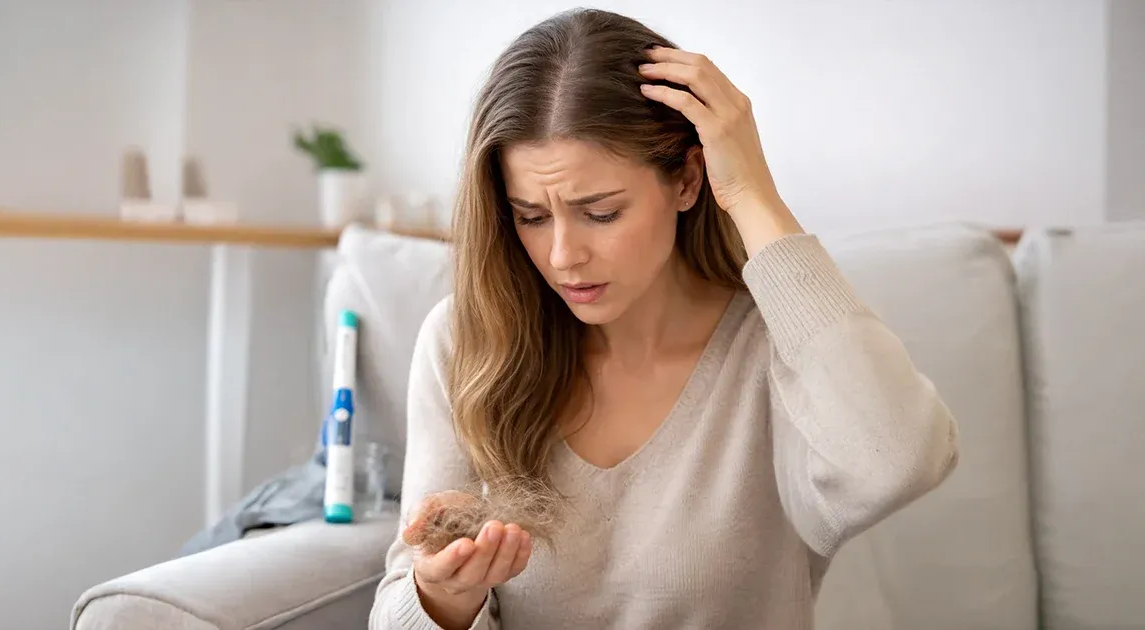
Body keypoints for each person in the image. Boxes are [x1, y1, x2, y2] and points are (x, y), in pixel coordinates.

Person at [370, 8, 959, 630]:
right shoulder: (468, 343)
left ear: (688, 180)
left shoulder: (776, 350)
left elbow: (901, 461)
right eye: (531, 217)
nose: (563, 255)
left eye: (600, 212)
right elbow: (395, 614)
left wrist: (752, 192)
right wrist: (443, 598)